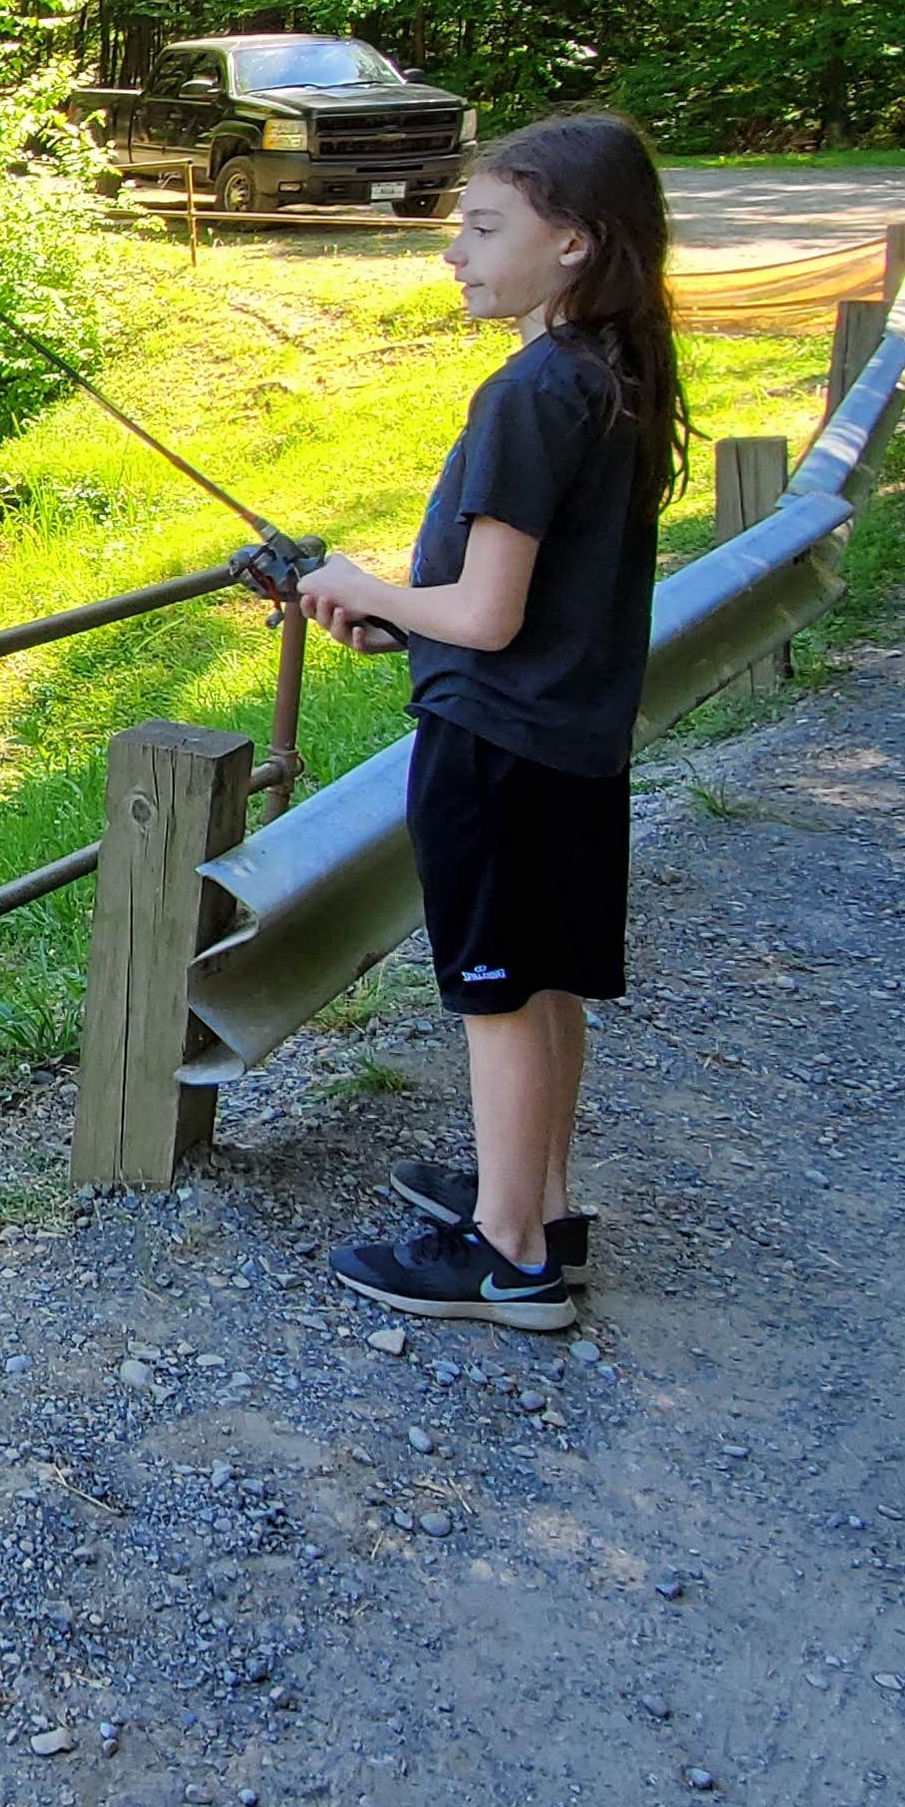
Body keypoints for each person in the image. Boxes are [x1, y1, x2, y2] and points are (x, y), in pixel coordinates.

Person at [294, 112, 689, 1332]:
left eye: (482, 227)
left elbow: (487, 609)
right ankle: (543, 1200)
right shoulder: (610, 375)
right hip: (568, 742)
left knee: (498, 996)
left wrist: (362, 589)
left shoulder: (527, 393)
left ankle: (510, 1256)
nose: (453, 252)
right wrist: (402, 620)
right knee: (547, 984)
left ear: (574, 242)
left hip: (499, 755)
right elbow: (519, 608)